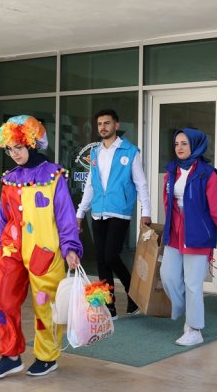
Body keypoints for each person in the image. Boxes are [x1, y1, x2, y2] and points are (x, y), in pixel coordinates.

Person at [0, 115, 82, 379]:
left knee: (45, 305)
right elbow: (3, 217)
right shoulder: (9, 179)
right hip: (11, 250)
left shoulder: (52, 176)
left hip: (44, 252)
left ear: (32, 144)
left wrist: (70, 247)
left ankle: (47, 356)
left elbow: (65, 214)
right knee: (2, 301)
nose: (14, 154)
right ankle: (10, 355)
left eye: (18, 147)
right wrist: (0, 246)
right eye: (9, 149)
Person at [160, 128, 217, 346]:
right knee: (167, 276)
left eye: (184, 144)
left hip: (198, 234)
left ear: (195, 145)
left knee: (193, 283)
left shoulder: (207, 174)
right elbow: (168, 203)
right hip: (175, 233)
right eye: (176, 144)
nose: (179, 148)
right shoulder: (171, 171)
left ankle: (194, 329)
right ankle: (186, 309)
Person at [76, 109, 151, 319]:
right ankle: (109, 307)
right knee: (102, 260)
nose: (103, 127)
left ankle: (133, 293)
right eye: (100, 124)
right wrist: (80, 213)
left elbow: (141, 184)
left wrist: (146, 211)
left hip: (120, 211)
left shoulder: (130, 151)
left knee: (111, 255)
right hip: (97, 212)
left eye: (107, 123)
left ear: (116, 125)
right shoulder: (95, 153)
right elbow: (90, 185)